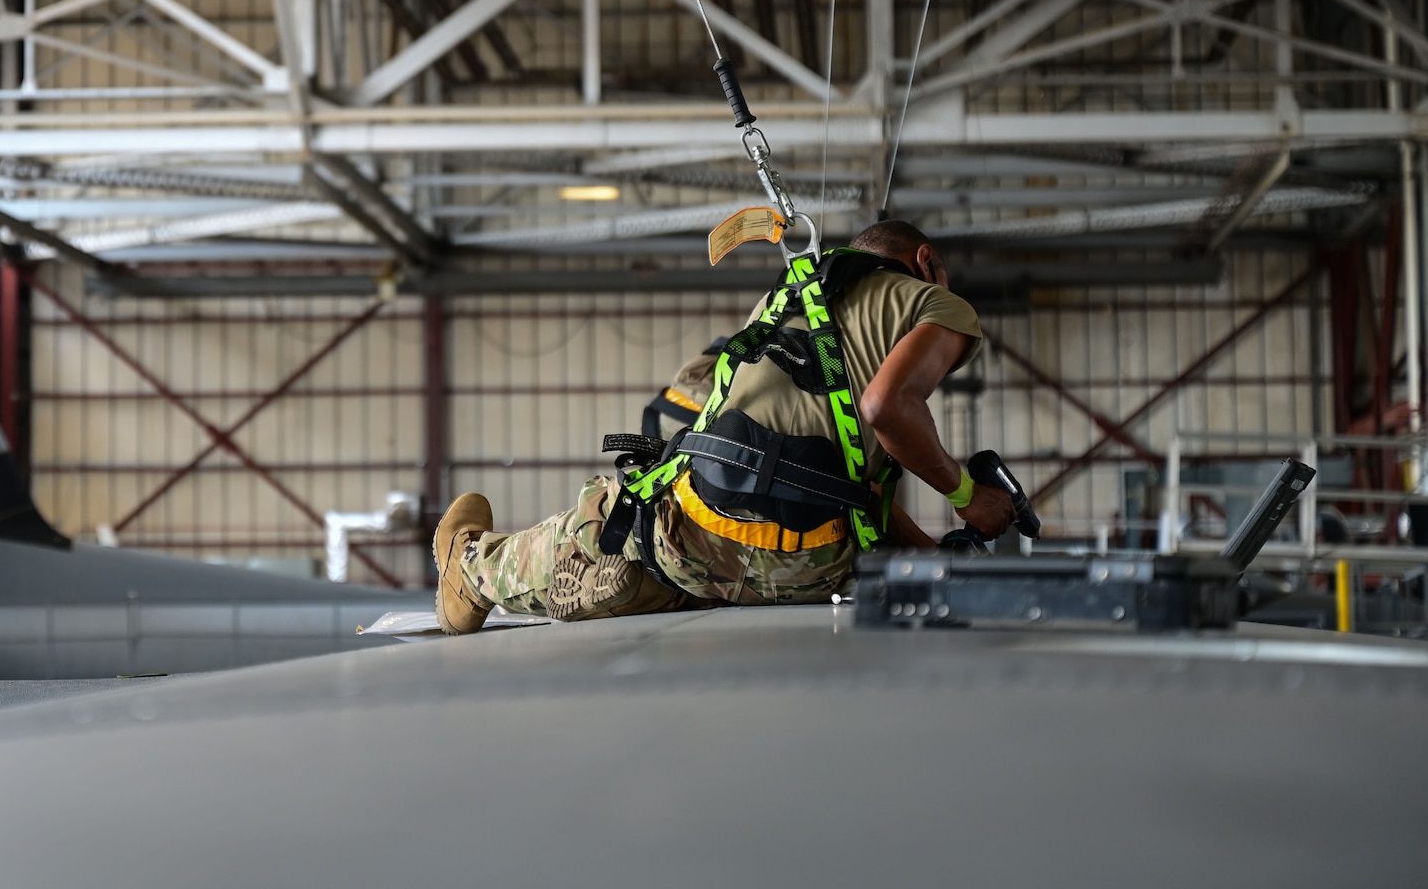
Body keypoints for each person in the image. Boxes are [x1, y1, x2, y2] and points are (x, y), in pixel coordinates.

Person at [433, 219, 1016, 632]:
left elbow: (883, 415)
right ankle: (657, 581)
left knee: (614, 520)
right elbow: (886, 413)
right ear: (926, 261)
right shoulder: (939, 303)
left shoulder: (782, 301)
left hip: (704, 533)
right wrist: (968, 503)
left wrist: (944, 528)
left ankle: (474, 573)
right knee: (761, 530)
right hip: (819, 568)